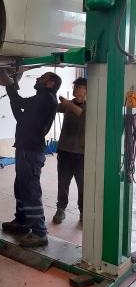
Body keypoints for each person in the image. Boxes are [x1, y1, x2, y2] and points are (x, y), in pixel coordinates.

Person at [2, 72, 62, 248]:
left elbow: (20, 103)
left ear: (50, 84)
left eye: (41, 78)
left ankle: (39, 233)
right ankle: (22, 223)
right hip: (25, 148)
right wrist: (11, 91)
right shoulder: (41, 99)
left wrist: (9, 86)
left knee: (30, 190)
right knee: (21, 187)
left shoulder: (46, 99)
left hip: (31, 150)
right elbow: (21, 117)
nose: (37, 79)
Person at [52, 77, 87, 224]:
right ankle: (61, 209)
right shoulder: (68, 105)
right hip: (65, 151)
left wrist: (68, 104)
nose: (75, 89)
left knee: (83, 185)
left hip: (82, 154)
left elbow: (82, 114)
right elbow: (54, 107)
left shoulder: (90, 106)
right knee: (63, 183)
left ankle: (83, 211)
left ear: (86, 91)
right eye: (74, 86)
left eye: (79, 87)